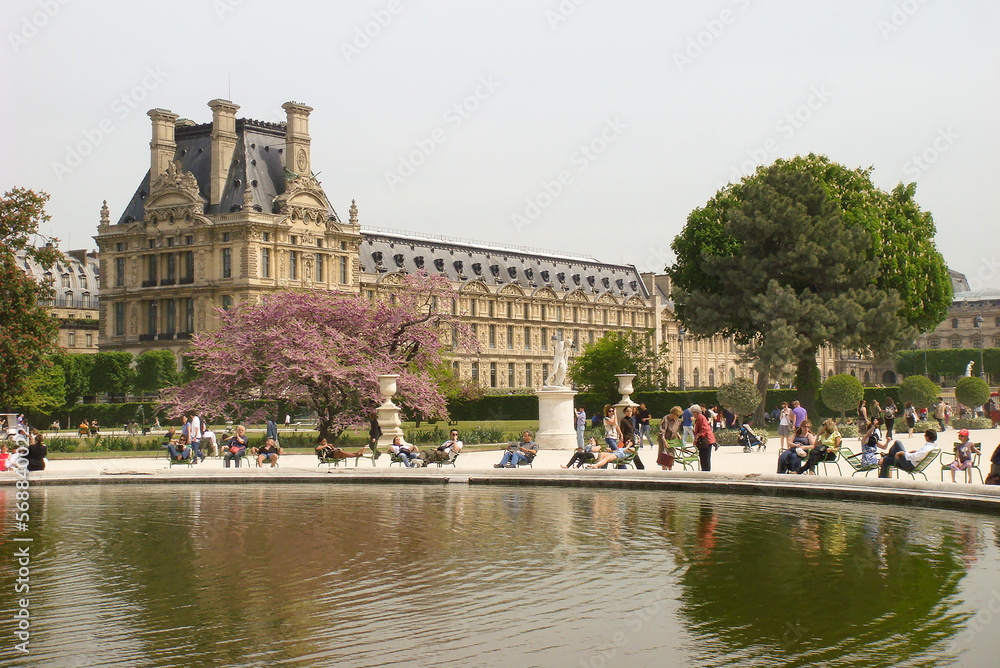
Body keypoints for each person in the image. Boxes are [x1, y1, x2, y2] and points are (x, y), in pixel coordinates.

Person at [691, 404, 715, 471]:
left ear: (695, 412)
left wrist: (697, 436)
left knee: (705, 457)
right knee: (703, 456)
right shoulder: (699, 418)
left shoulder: (701, 417)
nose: (692, 415)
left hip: (706, 440)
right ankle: (704, 470)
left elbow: (704, 428)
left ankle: (706, 471)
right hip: (704, 440)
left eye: (692, 413)